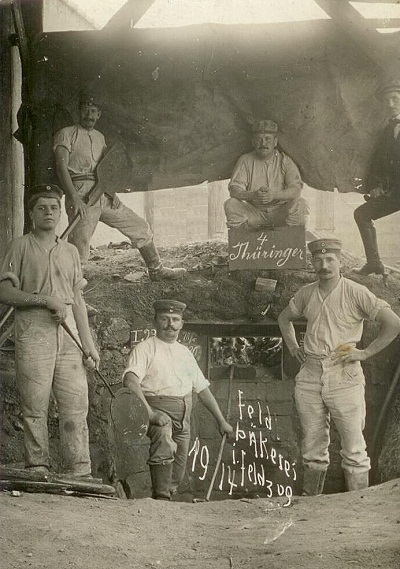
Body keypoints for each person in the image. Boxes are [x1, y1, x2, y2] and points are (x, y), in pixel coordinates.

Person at [278, 238, 400, 495]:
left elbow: (393, 323)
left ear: (339, 261)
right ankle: (311, 507)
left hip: (343, 373)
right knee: (312, 448)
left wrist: (365, 352)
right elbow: (284, 318)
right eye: (318, 260)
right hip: (310, 374)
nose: (324, 265)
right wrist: (293, 347)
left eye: (330, 259)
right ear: (312, 263)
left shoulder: (356, 291)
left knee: (354, 449)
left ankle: (357, 511)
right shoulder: (306, 293)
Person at [0, 184, 100, 477]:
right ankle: (38, 466)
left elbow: (78, 301)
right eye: (42, 207)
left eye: (54, 208)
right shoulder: (19, 246)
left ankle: (79, 470)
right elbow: (4, 291)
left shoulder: (70, 251)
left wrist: (88, 344)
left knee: (75, 404)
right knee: (35, 404)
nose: (49, 212)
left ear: (60, 213)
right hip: (33, 328)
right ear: (31, 213)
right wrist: (44, 300)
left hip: (68, 330)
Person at [53, 93, 186, 280]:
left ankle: (156, 270)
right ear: (79, 111)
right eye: (85, 110)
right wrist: (74, 198)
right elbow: (61, 168)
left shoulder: (100, 137)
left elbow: (107, 168)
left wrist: (111, 191)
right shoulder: (66, 134)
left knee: (139, 226)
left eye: (93, 111)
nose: (89, 115)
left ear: (99, 114)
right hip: (80, 192)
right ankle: (75, 297)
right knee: (80, 247)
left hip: (103, 192)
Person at [122, 299, 233, 500]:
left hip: (184, 416)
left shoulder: (185, 352)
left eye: (175, 320)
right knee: (164, 443)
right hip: (156, 410)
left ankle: (167, 496)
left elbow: (203, 389)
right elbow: (130, 381)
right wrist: (151, 414)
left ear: (182, 323)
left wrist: (221, 421)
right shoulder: (146, 348)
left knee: (179, 466)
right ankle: (161, 498)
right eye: (164, 319)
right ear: (155, 321)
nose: (170, 325)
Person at [224, 120, 309, 229]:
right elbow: (234, 189)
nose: (263, 144)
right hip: (254, 214)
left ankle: (287, 241)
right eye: (259, 140)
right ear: (253, 142)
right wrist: (253, 195)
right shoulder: (245, 160)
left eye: (268, 139)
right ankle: (245, 241)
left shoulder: (285, 161)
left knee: (300, 204)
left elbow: (296, 189)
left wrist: (274, 195)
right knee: (231, 205)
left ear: (275, 142)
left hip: (279, 213)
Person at [353, 79, 400, 275]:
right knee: (362, 214)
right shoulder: (388, 130)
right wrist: (374, 186)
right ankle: (374, 263)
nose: (391, 105)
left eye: (395, 99)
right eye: (387, 101)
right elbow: (378, 162)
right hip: (395, 192)